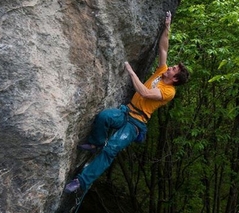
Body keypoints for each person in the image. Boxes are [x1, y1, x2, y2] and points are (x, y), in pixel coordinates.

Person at [64, 11, 189, 193]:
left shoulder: (169, 91)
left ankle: (81, 182)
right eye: (173, 66)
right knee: (104, 117)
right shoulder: (162, 72)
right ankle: (96, 142)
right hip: (126, 112)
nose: (170, 67)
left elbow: (145, 92)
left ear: (175, 79)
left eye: (174, 69)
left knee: (111, 150)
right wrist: (167, 26)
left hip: (136, 123)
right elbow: (163, 48)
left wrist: (131, 72)